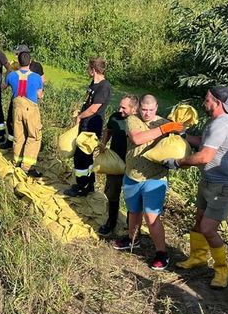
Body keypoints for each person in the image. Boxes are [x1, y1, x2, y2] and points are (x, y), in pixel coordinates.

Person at [163, 87, 228, 289]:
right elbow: (205, 144)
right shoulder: (216, 121)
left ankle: (222, 271)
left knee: (208, 228)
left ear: (218, 103)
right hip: (209, 181)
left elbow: (204, 156)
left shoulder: (222, 125)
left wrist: (177, 163)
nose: (203, 102)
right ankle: (198, 258)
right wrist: (184, 135)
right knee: (199, 219)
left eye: (207, 99)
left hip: (225, 186)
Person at [112, 94, 184, 271]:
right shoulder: (132, 120)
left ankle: (161, 253)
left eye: (151, 110)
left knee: (151, 217)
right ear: (139, 108)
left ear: (157, 108)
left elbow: (180, 141)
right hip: (132, 175)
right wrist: (164, 129)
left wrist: (182, 132)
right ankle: (132, 239)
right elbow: (137, 139)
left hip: (155, 179)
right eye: (144, 109)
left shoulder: (164, 122)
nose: (147, 113)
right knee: (133, 211)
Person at [64, 57, 112, 197]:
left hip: (92, 125)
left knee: (82, 156)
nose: (87, 71)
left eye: (88, 68)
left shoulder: (104, 86)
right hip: (85, 123)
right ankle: (88, 184)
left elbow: (94, 108)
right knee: (83, 156)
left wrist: (80, 116)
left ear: (94, 69)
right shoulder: (94, 83)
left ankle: (82, 186)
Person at [97, 94, 139, 236]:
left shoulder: (138, 122)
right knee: (112, 193)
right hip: (115, 163)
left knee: (131, 197)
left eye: (124, 107)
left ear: (134, 109)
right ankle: (111, 222)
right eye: (120, 106)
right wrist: (103, 143)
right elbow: (108, 130)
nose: (120, 109)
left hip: (132, 166)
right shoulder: (115, 117)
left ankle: (131, 227)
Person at [0, 45, 45, 150]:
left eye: (17, 53)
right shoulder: (19, 66)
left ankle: (20, 145)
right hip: (25, 100)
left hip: (25, 100)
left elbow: (5, 85)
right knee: (12, 121)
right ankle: (12, 142)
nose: (16, 55)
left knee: (25, 124)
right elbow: (42, 82)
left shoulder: (34, 67)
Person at [5, 52, 44, 177]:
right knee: (34, 137)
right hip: (30, 108)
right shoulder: (36, 77)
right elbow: (39, 95)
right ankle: (27, 167)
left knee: (19, 135)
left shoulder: (11, 75)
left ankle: (16, 161)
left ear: (18, 62)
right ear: (30, 62)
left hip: (17, 108)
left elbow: (3, 86)